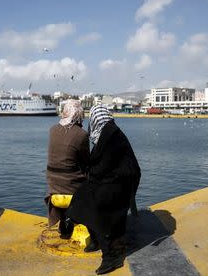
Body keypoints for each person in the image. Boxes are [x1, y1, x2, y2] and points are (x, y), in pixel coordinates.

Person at [67, 105, 141, 275]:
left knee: (96, 204)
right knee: (80, 197)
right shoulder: (107, 132)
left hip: (121, 183)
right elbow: (101, 166)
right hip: (111, 180)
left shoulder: (110, 135)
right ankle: (95, 239)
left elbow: (104, 165)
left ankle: (111, 256)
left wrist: (90, 172)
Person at [45, 99, 89, 238]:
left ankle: (63, 219)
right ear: (79, 115)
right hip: (71, 187)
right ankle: (82, 221)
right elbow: (86, 162)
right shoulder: (82, 134)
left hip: (53, 185)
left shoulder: (52, 130)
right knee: (90, 181)